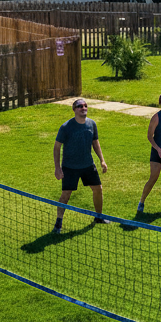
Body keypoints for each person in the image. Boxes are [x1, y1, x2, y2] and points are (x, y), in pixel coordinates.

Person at [53, 98, 108, 232]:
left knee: (98, 189)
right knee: (66, 194)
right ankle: (58, 223)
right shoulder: (66, 127)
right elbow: (57, 147)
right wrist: (58, 168)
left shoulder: (92, 124)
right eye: (79, 106)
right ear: (74, 110)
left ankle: (98, 217)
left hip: (88, 165)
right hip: (70, 167)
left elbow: (95, 142)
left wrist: (102, 160)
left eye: (85, 106)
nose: (83, 108)